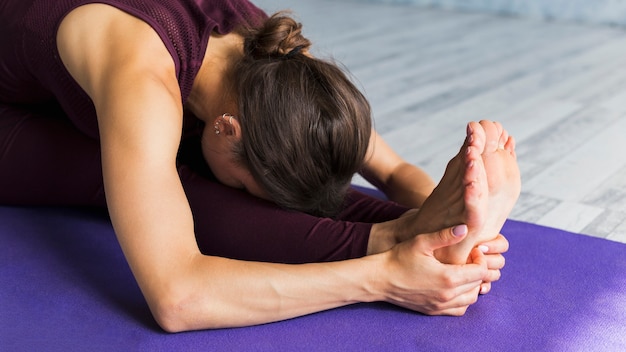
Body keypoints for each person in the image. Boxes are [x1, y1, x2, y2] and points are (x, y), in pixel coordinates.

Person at [0, 0, 520, 331]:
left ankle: (408, 228)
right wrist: (383, 277)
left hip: (64, 87)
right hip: (11, 111)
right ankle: (390, 238)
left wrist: (443, 218)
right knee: (178, 186)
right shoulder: (143, 84)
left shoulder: (277, 61)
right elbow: (177, 296)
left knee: (294, 173)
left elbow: (391, 170)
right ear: (228, 130)